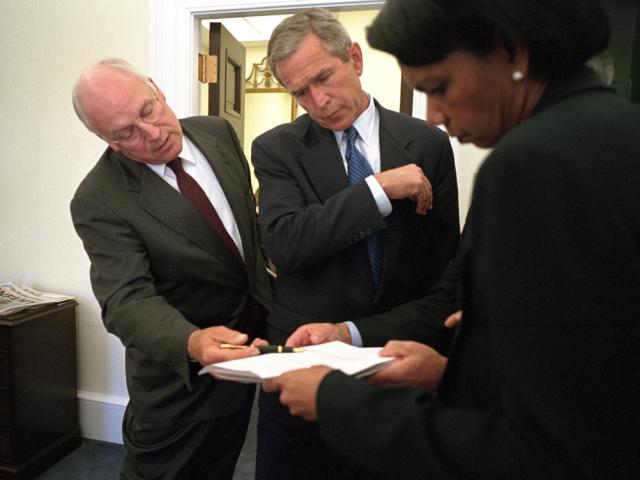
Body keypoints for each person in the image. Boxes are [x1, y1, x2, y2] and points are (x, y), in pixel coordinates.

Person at [263, 0, 640, 478]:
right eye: (301, 93)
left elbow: (544, 441)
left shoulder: (530, 163)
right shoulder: (618, 129)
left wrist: (336, 399)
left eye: (439, 88)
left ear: (510, 54)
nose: (437, 115)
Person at [251, 8, 460, 480]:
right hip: (305, 358)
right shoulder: (276, 148)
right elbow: (285, 244)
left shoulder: (428, 143)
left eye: (324, 78)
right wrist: (377, 191)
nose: (319, 101)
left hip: (397, 355)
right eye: (300, 92)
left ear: (355, 58)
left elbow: (445, 270)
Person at [70, 58, 272, 480]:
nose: (154, 133)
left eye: (148, 110)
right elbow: (127, 300)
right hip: (181, 385)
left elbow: (244, 233)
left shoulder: (217, 132)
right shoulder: (99, 198)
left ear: (156, 88)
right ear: (107, 140)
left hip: (250, 351)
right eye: (127, 132)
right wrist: (193, 341)